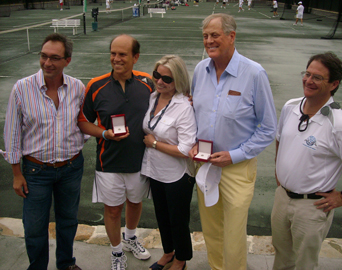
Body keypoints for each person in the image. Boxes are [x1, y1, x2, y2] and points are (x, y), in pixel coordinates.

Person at [189, 13, 277, 270]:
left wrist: (235, 155)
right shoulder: (199, 70)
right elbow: (196, 114)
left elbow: (268, 128)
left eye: (214, 35)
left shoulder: (254, 73)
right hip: (204, 164)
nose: (209, 41)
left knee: (234, 231)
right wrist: (194, 142)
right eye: (205, 36)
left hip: (237, 168)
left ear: (231, 36)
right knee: (212, 228)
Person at [3, 33, 85, 270]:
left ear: (67, 60)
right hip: (34, 171)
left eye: (55, 58)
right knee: (34, 227)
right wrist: (17, 174)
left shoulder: (77, 87)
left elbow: (84, 122)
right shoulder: (22, 88)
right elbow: (12, 134)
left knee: (68, 221)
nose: (47, 63)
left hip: (71, 168)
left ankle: (66, 263)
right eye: (44, 56)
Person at [272, 52, 342, 270]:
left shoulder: (341, 125)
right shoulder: (290, 107)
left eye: (317, 77)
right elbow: (280, 140)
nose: (308, 81)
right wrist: (279, 174)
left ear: (334, 84)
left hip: (312, 207)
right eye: (307, 74)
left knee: (304, 263)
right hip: (282, 197)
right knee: (282, 256)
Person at [77, 34, 153, 270]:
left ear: (135, 57)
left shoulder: (148, 83)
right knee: (111, 209)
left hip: (140, 161)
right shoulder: (95, 85)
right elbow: (83, 121)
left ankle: (130, 238)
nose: (116, 59)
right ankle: (117, 251)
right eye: (113, 53)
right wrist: (105, 134)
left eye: (122, 54)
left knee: (135, 202)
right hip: (108, 161)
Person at [142, 55, 197, 270]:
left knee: (177, 221)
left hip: (177, 175)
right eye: (157, 75)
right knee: (162, 216)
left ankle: (181, 259)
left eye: (167, 78)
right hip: (155, 170)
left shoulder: (184, 106)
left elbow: (185, 149)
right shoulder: (153, 97)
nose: (160, 81)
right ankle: (168, 252)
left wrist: (154, 144)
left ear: (179, 80)